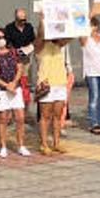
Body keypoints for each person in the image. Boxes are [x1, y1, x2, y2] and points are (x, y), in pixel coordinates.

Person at [33, 10, 70, 154]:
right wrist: (42, 20)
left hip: (60, 82)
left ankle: (56, 142)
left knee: (57, 115)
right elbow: (41, 35)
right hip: (46, 84)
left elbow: (68, 36)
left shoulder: (58, 44)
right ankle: (43, 144)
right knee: (45, 116)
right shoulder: (39, 46)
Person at [0, 26, 30, 155]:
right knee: (3, 118)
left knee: (20, 117)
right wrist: (6, 85)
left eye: (2, 37)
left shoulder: (13, 52)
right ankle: (3, 146)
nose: (1, 39)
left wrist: (13, 83)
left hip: (15, 88)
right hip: (1, 90)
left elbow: (20, 68)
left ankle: (21, 145)